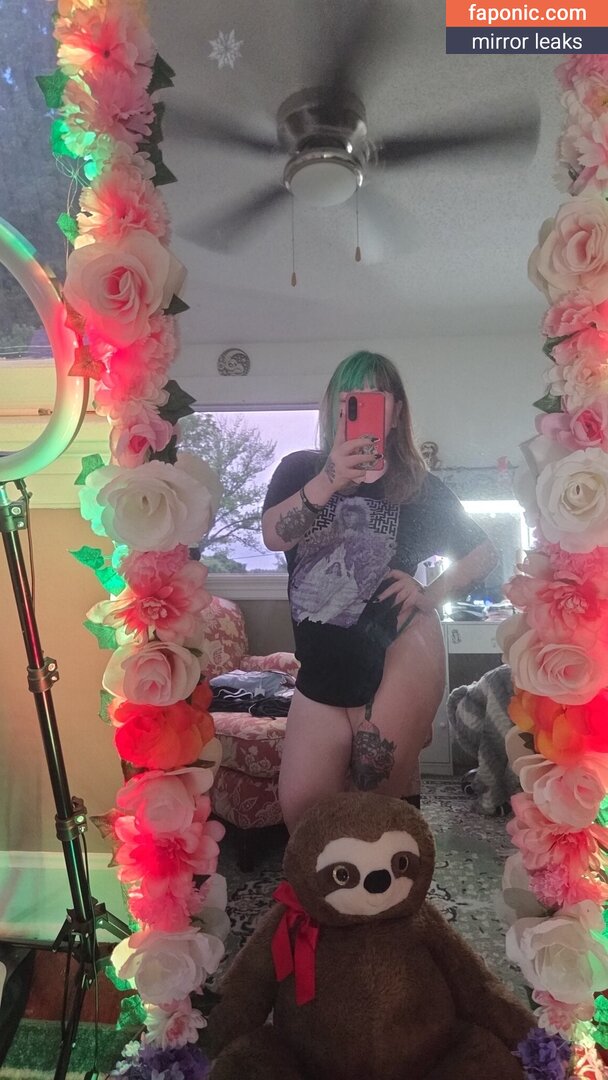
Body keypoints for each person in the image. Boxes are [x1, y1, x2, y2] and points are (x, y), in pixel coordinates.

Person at [262, 351, 498, 832]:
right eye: (351, 395)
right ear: (335, 406)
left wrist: (431, 592)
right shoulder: (301, 469)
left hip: (392, 661)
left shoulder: (417, 486)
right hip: (320, 674)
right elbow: (274, 537)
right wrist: (331, 478)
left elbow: (483, 553)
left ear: (396, 411)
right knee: (304, 821)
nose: (361, 404)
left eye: (375, 396)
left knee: (374, 815)